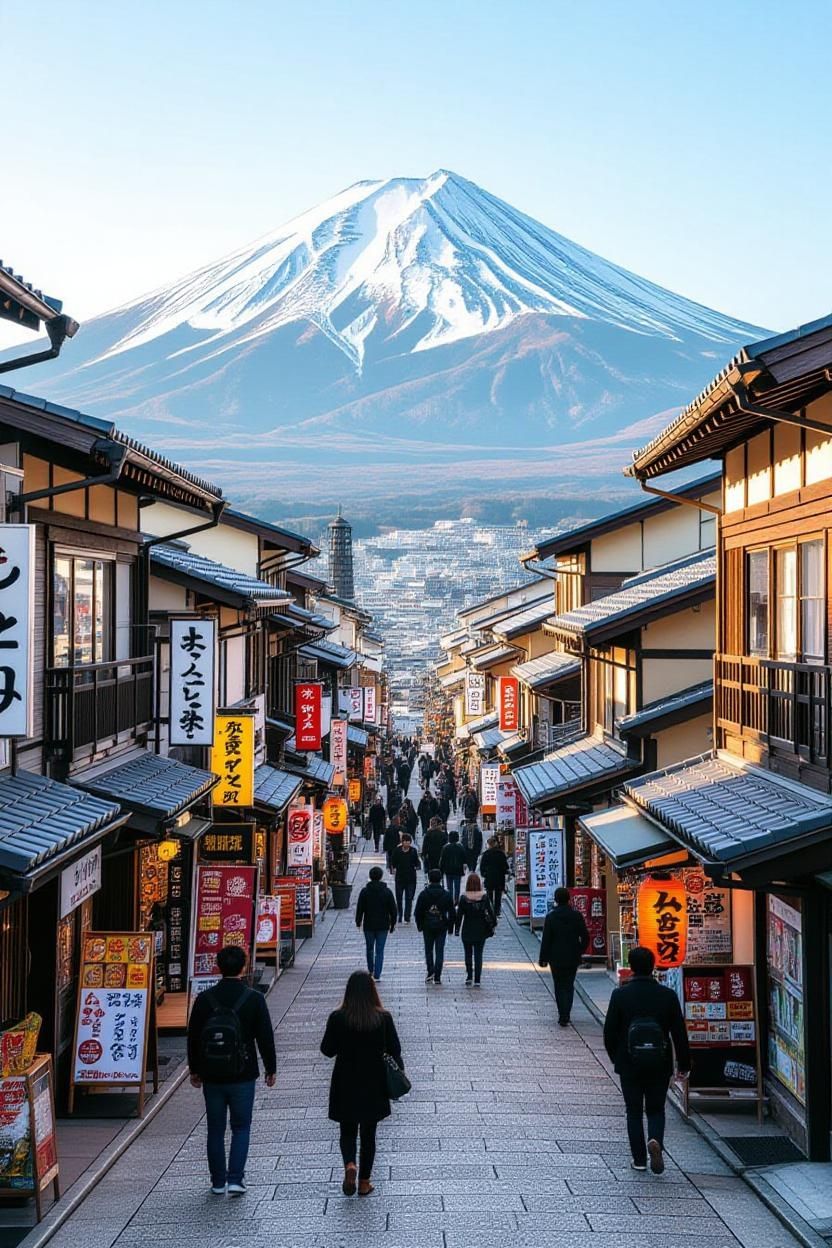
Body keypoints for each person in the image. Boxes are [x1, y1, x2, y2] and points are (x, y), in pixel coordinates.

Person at [187, 946, 276, 1196]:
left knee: (215, 1128)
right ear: (244, 967)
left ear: (218, 966)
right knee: (241, 1126)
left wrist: (194, 1069)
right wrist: (271, 1068)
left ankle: (217, 1181)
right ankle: (235, 1178)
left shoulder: (205, 1000)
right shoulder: (254, 999)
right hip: (243, 1072)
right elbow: (265, 1037)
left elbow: (193, 1037)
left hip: (211, 1075)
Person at [603, 946, 691, 1175]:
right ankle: (655, 1140)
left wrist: (617, 1057)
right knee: (655, 1109)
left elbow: (609, 1032)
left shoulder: (620, 995)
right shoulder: (667, 996)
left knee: (633, 1111)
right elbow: (679, 1033)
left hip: (629, 1063)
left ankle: (639, 1159)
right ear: (653, 966)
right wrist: (684, 1065)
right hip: (659, 1062)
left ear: (631, 967)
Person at [321, 971, 404, 1197]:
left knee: (347, 1130)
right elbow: (395, 1050)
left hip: (345, 1081)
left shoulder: (338, 1017)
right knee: (369, 1134)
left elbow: (327, 1050)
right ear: (371, 991)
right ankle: (364, 1182)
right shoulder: (383, 1018)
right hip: (374, 1083)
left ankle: (349, 1164)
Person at [539, 886, 590, 1027]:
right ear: (569, 899)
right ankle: (566, 1012)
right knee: (569, 984)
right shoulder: (576, 915)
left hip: (555, 957)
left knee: (558, 984)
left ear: (555, 899)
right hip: (572, 956)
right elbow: (585, 936)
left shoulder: (551, 917)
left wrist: (543, 958)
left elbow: (546, 939)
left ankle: (562, 1013)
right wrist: (580, 950)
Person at [355, 866, 397, 981]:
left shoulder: (365, 891)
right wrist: (393, 924)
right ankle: (377, 973)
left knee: (369, 948)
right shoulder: (387, 892)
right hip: (383, 925)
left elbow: (360, 908)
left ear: (370, 876)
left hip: (369, 924)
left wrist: (358, 921)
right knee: (380, 950)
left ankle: (371, 970)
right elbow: (393, 910)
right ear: (381, 876)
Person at [414, 869, 455, 985]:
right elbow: (452, 913)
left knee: (428, 949)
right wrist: (450, 926)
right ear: (441, 879)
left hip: (427, 925)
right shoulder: (446, 894)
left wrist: (420, 924)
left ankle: (430, 971)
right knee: (439, 950)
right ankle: (438, 975)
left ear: (429, 879)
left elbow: (417, 912)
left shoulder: (424, 894)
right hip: (441, 925)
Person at [454, 872, 496, 988]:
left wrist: (457, 928)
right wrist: (493, 925)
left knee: (468, 954)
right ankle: (477, 979)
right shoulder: (484, 897)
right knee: (478, 954)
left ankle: (469, 976)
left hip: (467, 928)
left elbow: (459, 915)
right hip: (480, 929)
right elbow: (491, 913)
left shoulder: (463, 898)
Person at [390, 832, 421, 923]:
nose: (407, 843)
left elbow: (417, 862)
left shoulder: (413, 851)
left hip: (411, 878)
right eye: (405, 841)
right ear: (402, 842)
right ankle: (400, 914)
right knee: (399, 898)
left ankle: (407, 916)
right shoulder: (397, 850)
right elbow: (393, 862)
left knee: (409, 898)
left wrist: (417, 866)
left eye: (409, 841)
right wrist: (393, 869)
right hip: (400, 877)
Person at [479, 836, 510, 919]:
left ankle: (490, 910)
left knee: (489, 894)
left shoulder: (486, 854)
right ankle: (497, 911)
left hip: (489, 877)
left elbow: (482, 866)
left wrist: (484, 874)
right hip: (499, 878)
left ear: (489, 845)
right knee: (498, 895)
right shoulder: (501, 854)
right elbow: (505, 866)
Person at [439, 829, 466, 903]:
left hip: (448, 870)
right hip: (458, 870)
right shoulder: (460, 847)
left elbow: (442, 860)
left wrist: (441, 870)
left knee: (449, 887)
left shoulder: (445, 847)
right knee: (457, 887)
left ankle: (450, 900)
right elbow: (464, 858)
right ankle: (456, 900)